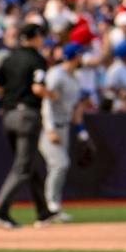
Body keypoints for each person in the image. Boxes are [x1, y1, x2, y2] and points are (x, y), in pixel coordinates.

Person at [0, 22, 54, 229]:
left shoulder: (8, 58)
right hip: (28, 115)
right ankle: (1, 211)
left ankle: (43, 212)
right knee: (23, 167)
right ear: (34, 37)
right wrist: (53, 96)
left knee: (31, 164)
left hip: (9, 116)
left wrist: (10, 96)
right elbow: (37, 88)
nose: (42, 40)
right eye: (40, 36)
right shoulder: (37, 59)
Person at [38, 41, 84, 223]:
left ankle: (54, 207)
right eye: (80, 54)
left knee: (58, 167)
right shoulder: (56, 75)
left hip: (64, 125)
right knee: (60, 164)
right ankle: (51, 206)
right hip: (52, 126)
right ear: (74, 56)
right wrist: (49, 129)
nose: (82, 58)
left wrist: (82, 132)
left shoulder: (74, 77)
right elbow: (46, 102)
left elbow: (74, 107)